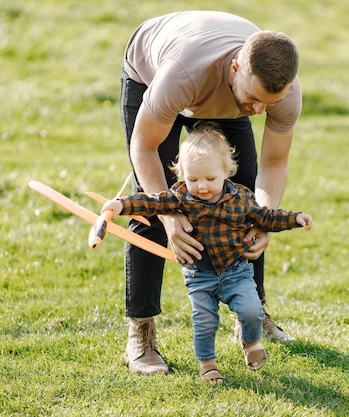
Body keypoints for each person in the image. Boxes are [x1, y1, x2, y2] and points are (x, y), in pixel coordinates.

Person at [119, 10, 303, 375]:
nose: (259, 111)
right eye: (254, 100)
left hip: (219, 93)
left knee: (244, 200)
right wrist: (170, 215)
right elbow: (145, 147)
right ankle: (141, 332)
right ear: (236, 68)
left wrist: (261, 220)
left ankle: (254, 312)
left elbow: (275, 165)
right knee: (150, 206)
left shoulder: (278, 92)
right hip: (153, 74)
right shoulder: (182, 74)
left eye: (269, 102)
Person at [102, 124, 313, 382]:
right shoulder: (180, 196)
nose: (201, 186)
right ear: (182, 176)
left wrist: (295, 218)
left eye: (210, 179)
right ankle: (208, 365)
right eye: (193, 179)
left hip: (237, 271)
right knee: (205, 323)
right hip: (200, 276)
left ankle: (250, 342)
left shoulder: (241, 198)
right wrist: (120, 205)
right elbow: (151, 201)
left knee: (252, 310)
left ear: (226, 172)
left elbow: (266, 217)